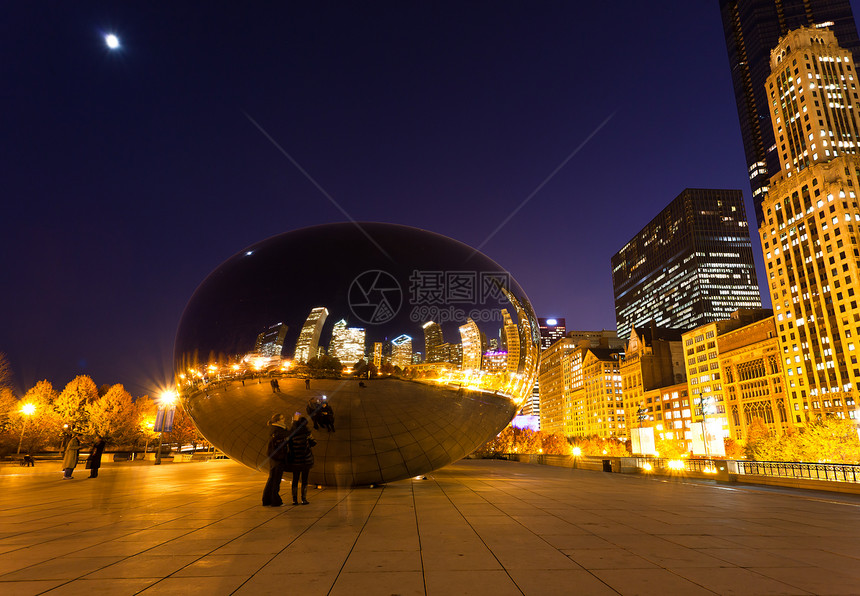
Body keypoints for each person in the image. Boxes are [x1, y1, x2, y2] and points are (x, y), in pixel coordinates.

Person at [287, 413, 316, 505]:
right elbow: (313, 443)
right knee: (304, 479)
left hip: (295, 460)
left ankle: (294, 499)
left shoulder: (292, 433)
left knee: (295, 479)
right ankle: (304, 499)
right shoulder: (307, 433)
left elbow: (289, 445)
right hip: (305, 460)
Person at [262, 413, 289, 506]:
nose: (284, 419)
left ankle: (266, 500)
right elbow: (289, 433)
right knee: (276, 480)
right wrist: (296, 423)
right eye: (282, 418)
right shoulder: (278, 430)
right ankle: (275, 501)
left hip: (274, 458)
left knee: (272, 479)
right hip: (278, 458)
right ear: (277, 421)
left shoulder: (274, 428)